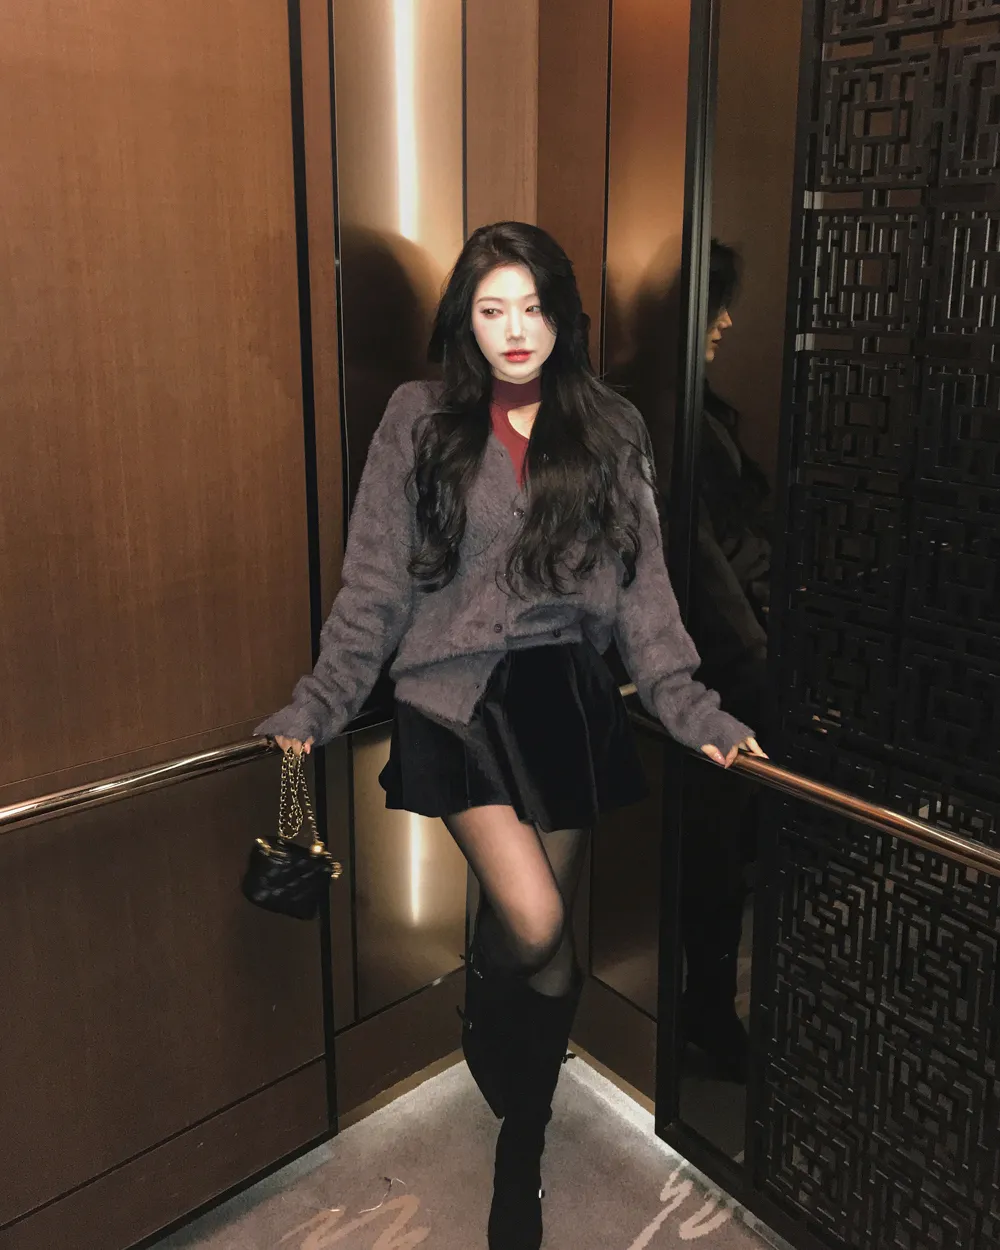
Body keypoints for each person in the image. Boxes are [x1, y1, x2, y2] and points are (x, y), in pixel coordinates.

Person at [255, 222, 765, 1250]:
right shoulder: (418, 419)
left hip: (564, 700)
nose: (515, 330)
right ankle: (487, 1012)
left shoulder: (609, 423)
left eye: (532, 307)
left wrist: (691, 708)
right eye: (492, 310)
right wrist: (318, 701)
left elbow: (645, 593)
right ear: (466, 319)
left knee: (555, 951)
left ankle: (519, 1146)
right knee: (530, 922)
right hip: (455, 699)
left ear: (561, 313)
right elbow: (373, 586)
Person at [680, 239, 773, 1082]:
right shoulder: (661, 414)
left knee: (722, 848)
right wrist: (755, 658)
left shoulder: (693, 406)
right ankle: (706, 1011)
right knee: (711, 853)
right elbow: (703, 560)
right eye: (718, 302)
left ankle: (707, 1006)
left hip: (722, 652)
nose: (729, 320)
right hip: (711, 664)